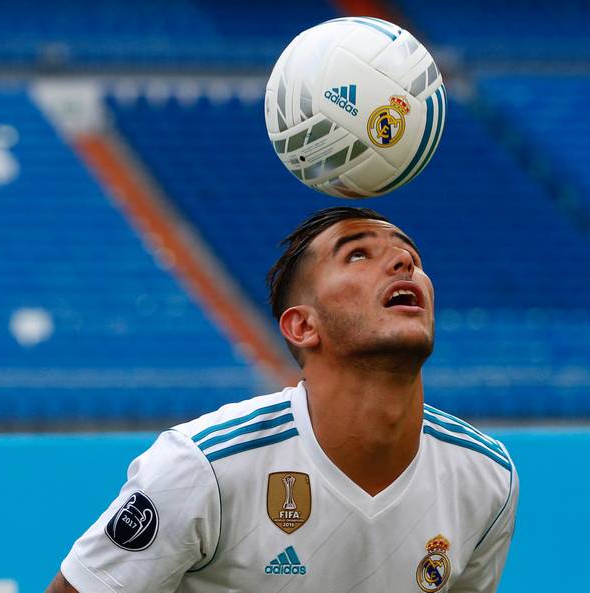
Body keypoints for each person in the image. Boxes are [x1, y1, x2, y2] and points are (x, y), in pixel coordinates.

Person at [47, 206, 519, 593]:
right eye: (357, 254)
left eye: (411, 256)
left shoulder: (487, 477)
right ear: (303, 326)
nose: (404, 264)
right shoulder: (204, 466)